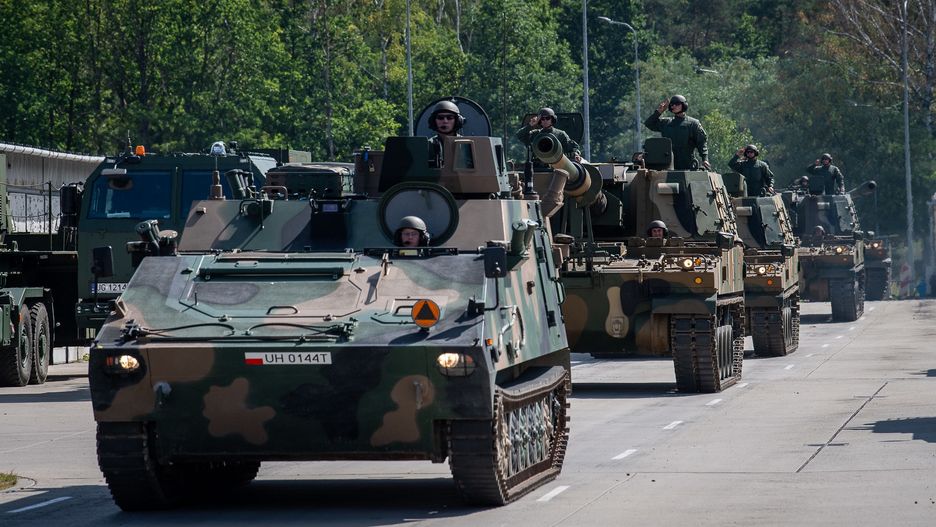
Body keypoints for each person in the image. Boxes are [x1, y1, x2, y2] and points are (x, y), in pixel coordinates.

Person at [644, 95, 710, 170]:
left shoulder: (693, 124)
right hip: (667, 165)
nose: (674, 106)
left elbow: (701, 142)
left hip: (687, 166)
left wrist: (705, 159)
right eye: (672, 104)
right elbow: (649, 124)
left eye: (677, 104)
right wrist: (659, 112)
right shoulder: (666, 123)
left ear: (684, 105)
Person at [516, 107, 582, 162]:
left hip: (556, 165)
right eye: (542, 119)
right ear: (540, 121)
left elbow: (572, 147)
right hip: (537, 166)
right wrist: (530, 125)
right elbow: (519, 135)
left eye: (547, 118)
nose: (545, 121)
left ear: (552, 119)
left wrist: (576, 154)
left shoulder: (560, 134)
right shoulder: (535, 134)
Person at [427, 100, 464, 168]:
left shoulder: (466, 145)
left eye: (449, 118)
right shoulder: (428, 146)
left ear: (457, 121)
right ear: (433, 121)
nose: (445, 121)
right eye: (440, 118)